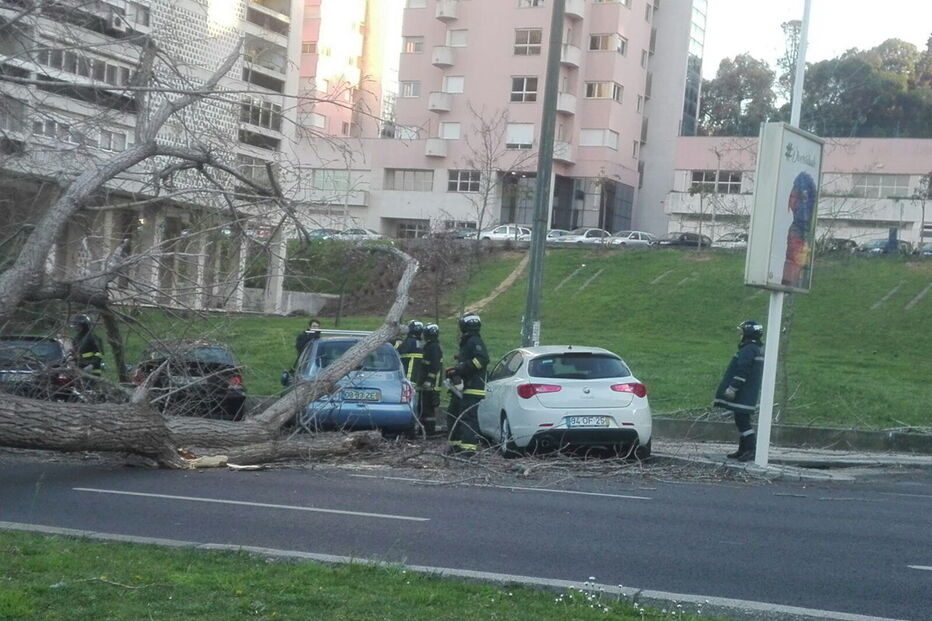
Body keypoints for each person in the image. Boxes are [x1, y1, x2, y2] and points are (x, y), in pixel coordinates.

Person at [714, 320, 765, 462]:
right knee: (741, 420)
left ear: (747, 334)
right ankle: (743, 450)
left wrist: (732, 388)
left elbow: (743, 369)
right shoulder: (755, 349)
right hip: (748, 393)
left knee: (743, 421)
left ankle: (751, 450)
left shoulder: (748, 350)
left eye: (741, 332)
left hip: (744, 393)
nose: (740, 335)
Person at [445, 313, 488, 454]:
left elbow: (482, 360)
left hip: (473, 387)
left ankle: (468, 450)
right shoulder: (468, 341)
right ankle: (455, 445)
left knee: (468, 419)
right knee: (453, 414)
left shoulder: (474, 340)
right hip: (464, 388)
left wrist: (459, 368)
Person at [418, 323, 443, 434]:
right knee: (423, 408)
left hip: (432, 385)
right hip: (428, 384)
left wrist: (429, 380)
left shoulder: (433, 347)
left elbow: (435, 366)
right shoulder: (430, 346)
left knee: (428, 409)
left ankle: (429, 431)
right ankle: (423, 429)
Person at [396, 320, 424, 384]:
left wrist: (398, 344)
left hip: (408, 374)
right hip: (416, 375)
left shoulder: (410, 341)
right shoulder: (419, 342)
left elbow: (400, 351)